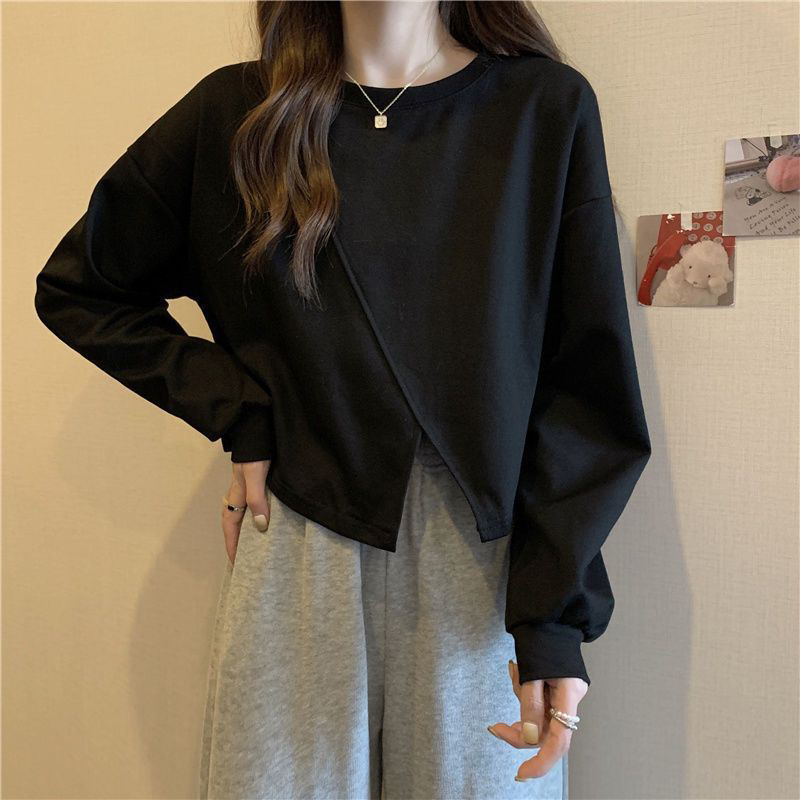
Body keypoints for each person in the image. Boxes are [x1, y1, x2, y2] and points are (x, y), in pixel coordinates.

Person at [33, 1, 652, 798]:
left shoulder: (542, 110)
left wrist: (554, 618)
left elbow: (587, 387)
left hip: (486, 566)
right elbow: (83, 288)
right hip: (299, 537)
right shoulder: (239, 115)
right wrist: (240, 410)